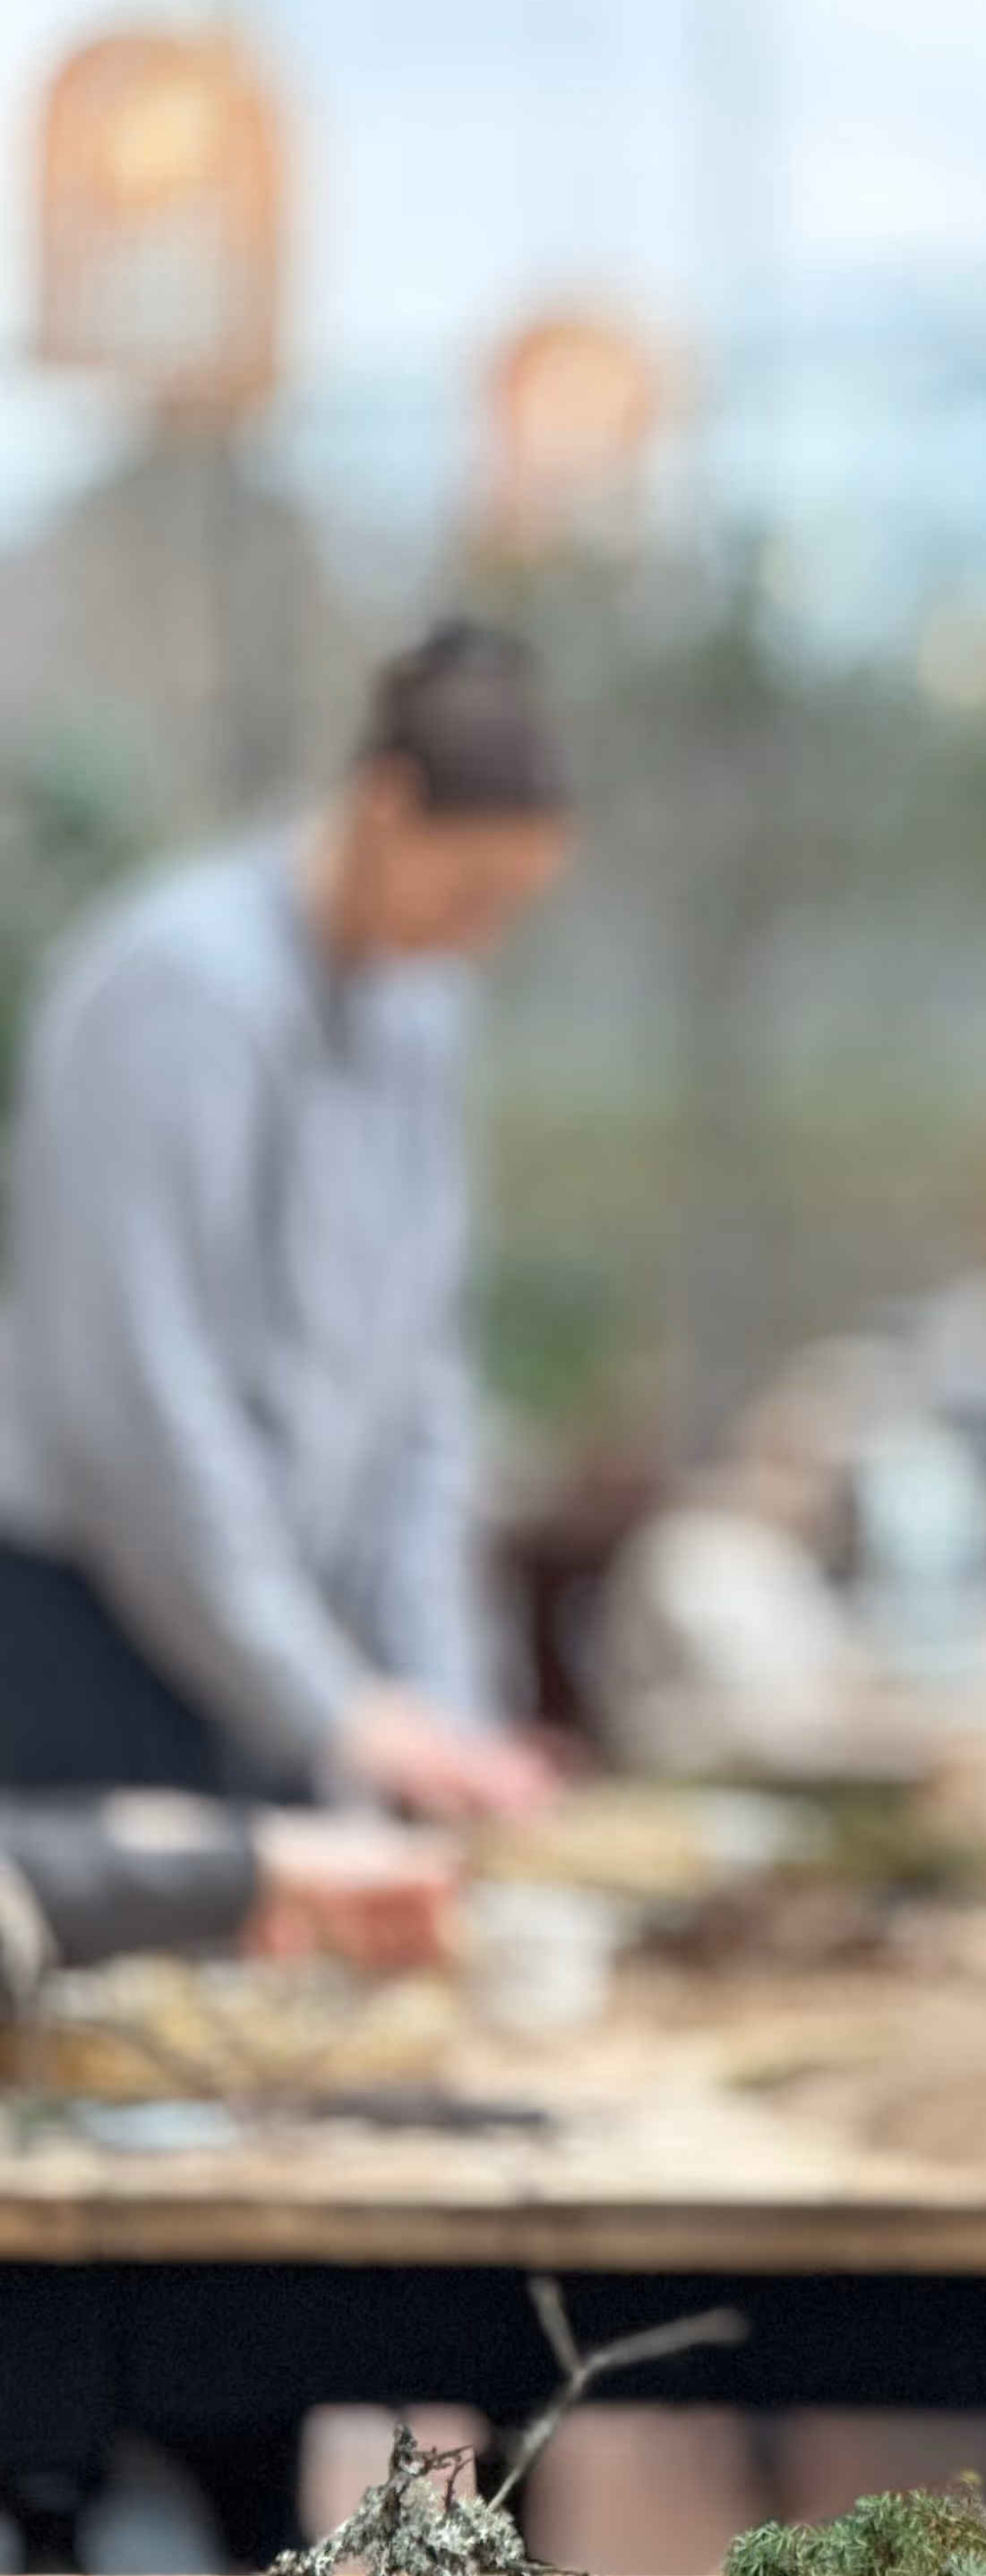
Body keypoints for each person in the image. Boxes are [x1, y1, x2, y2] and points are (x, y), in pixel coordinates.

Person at [0, 620, 570, 1861]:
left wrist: (444, 1716)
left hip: (260, 1631)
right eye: (472, 890)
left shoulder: (418, 1009)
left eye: (510, 906)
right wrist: (328, 1704)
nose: (483, 934)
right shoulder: (182, 987)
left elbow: (420, 1382)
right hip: (88, 1617)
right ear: (385, 805)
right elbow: (142, 1400)